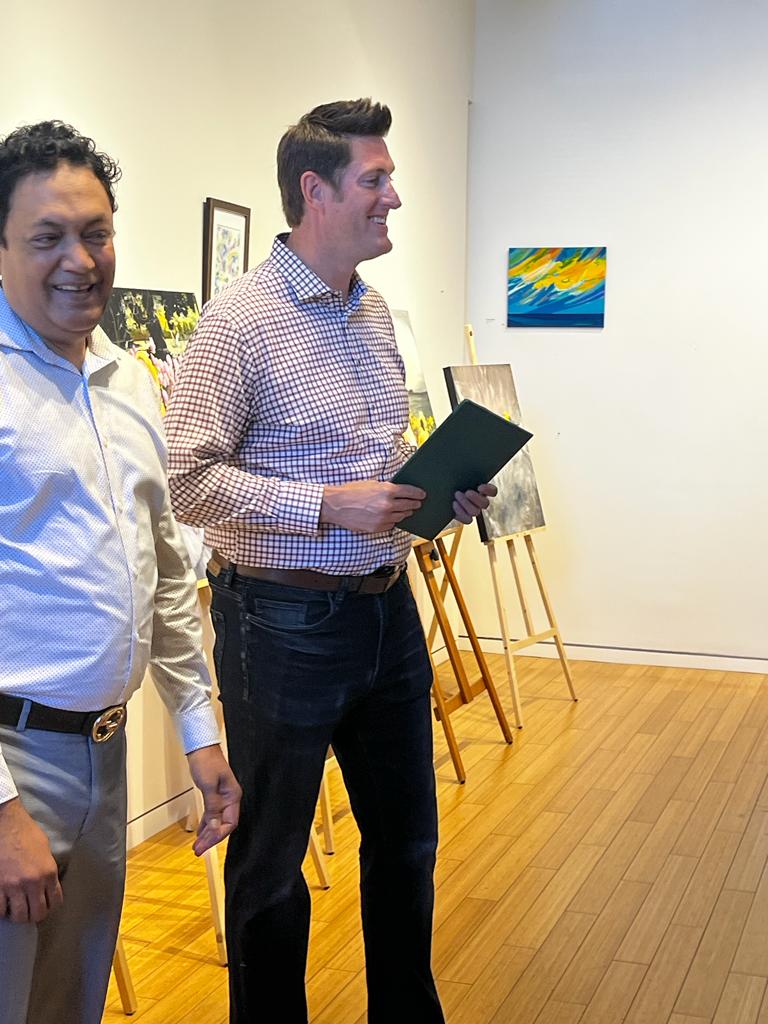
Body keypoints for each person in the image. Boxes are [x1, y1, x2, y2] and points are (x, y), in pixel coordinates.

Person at [165, 98, 495, 1024]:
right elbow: (186, 480)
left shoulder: (374, 312)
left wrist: (437, 491)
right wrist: (322, 504)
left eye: (391, 177)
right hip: (281, 623)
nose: (394, 196)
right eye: (375, 179)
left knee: (408, 845)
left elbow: (377, 460)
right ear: (315, 191)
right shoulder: (237, 324)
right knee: (272, 865)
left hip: (388, 610)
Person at [0, 121, 241, 1024]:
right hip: (15, 761)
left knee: (71, 1003)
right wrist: (1, 812)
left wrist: (199, 733)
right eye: (47, 237)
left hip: (104, 757)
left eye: (95, 233)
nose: (80, 260)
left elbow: (165, 572)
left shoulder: (132, 383)